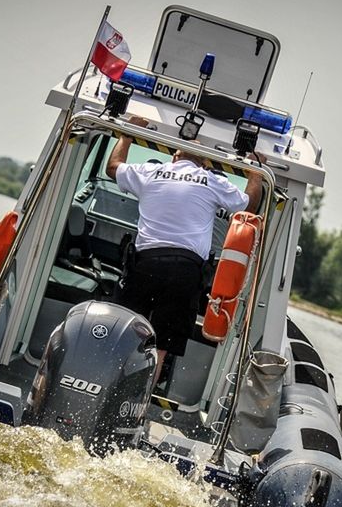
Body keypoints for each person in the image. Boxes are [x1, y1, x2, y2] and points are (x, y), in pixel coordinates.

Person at [106, 115, 264, 385]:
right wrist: (256, 174)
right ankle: (140, 397)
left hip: (145, 264)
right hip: (185, 272)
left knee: (125, 334)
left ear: (174, 157)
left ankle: (107, 387)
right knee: (161, 346)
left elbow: (113, 167)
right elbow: (248, 205)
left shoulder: (150, 173)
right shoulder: (210, 180)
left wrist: (127, 136)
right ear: (205, 163)